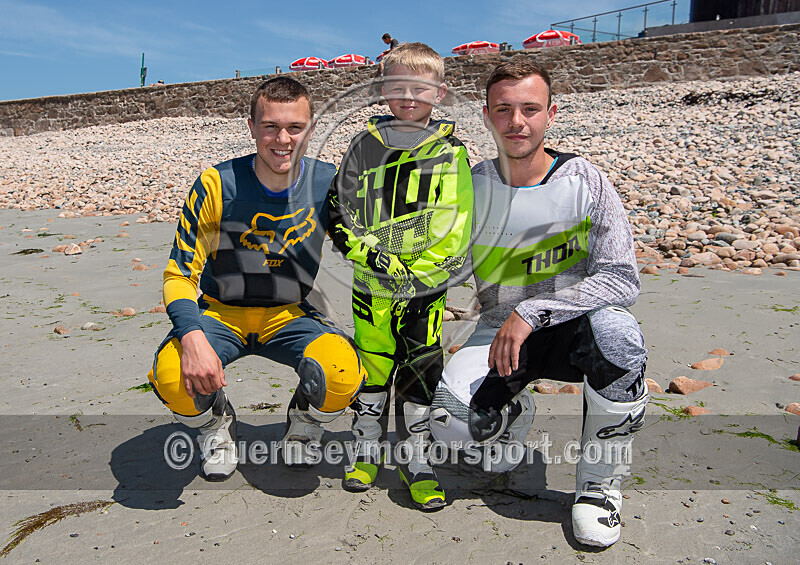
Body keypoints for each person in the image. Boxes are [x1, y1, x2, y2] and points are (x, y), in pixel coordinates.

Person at [429, 59, 648, 548]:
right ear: (487, 116)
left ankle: (598, 485)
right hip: (496, 333)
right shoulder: (469, 186)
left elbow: (621, 278)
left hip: (576, 330)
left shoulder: (585, 181)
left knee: (620, 336)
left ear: (551, 114)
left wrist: (532, 312)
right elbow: (450, 266)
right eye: (504, 110)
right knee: (448, 425)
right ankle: (510, 416)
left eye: (529, 108)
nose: (517, 121)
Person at [148, 76, 366, 481]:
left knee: (341, 373)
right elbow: (179, 273)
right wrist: (192, 338)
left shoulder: (328, 183)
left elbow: (360, 247)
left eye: (295, 128)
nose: (282, 139)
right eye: (270, 126)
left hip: (290, 313)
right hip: (220, 313)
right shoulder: (217, 184)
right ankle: (215, 425)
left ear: (311, 129)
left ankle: (304, 422)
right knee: (172, 375)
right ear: (251, 127)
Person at [328, 42, 473, 510]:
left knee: (419, 370)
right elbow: (337, 210)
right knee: (372, 366)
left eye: (420, 87)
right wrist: (371, 257)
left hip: (425, 290)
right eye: (397, 87)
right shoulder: (362, 146)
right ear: (382, 91)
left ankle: (417, 459)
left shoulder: (451, 153)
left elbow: (459, 225)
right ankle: (367, 448)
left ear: (440, 93)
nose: (408, 96)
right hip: (370, 285)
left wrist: (420, 277)